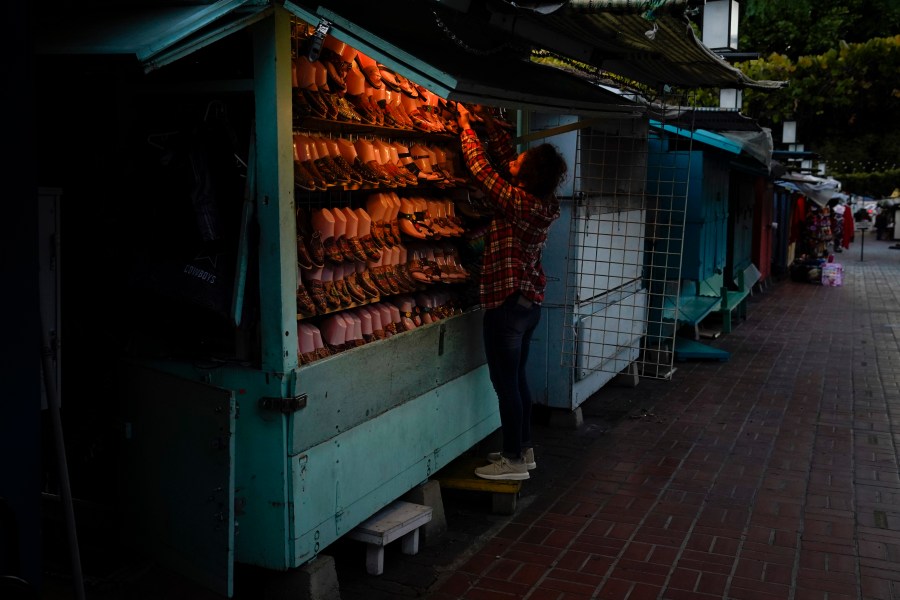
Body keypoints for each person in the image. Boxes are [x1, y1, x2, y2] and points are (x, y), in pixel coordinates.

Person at [455, 103, 568, 481]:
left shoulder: (519, 202)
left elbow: (484, 172)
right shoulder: (541, 201)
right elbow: (505, 162)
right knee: (517, 379)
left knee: (506, 386)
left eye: (523, 159)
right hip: (528, 304)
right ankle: (524, 449)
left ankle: (512, 460)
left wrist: (466, 129)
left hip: (506, 307)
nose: (515, 158)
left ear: (528, 174)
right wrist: (488, 121)